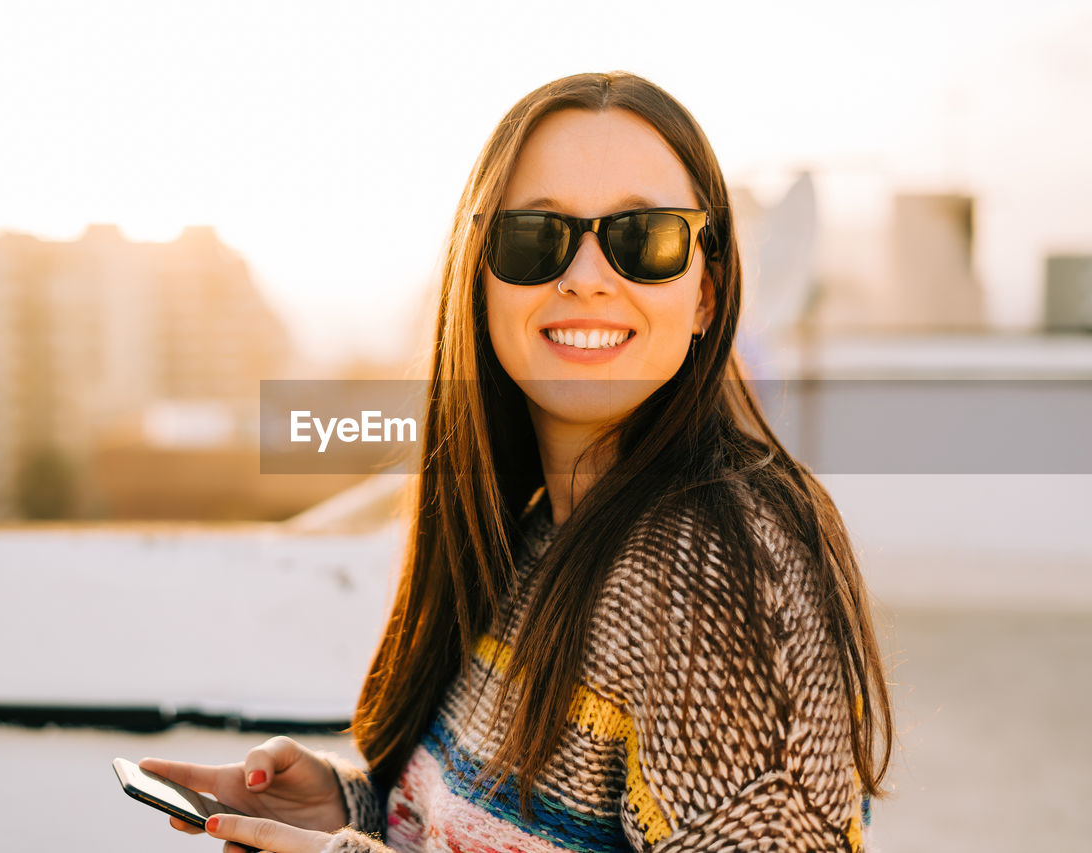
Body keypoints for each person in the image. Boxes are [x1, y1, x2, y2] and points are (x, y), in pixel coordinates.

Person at [141, 71, 893, 853]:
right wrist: (353, 813)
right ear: (483, 277)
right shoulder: (535, 532)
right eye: (536, 239)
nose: (588, 278)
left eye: (647, 237)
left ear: (706, 291)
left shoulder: (721, 570)